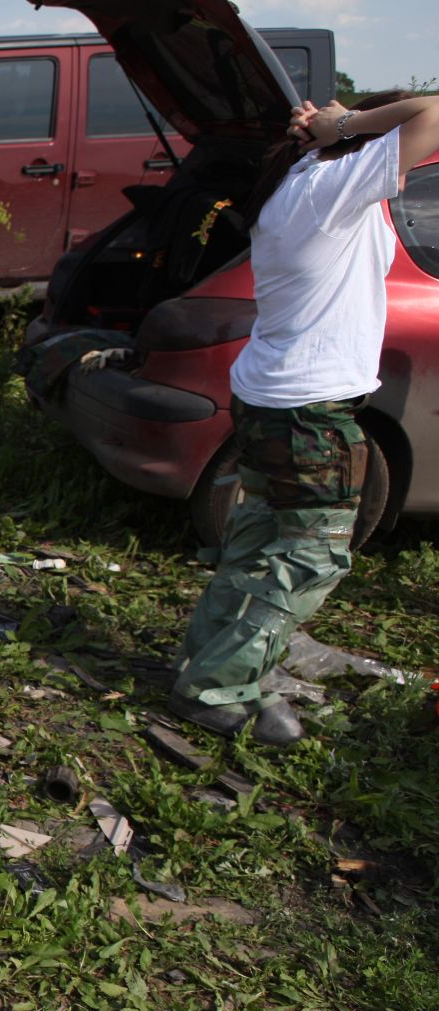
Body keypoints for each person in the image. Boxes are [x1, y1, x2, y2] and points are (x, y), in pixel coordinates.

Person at [169, 91, 439, 747]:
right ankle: (218, 688)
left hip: (274, 399)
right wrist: (340, 125)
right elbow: (433, 111)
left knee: (258, 546)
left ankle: (206, 671)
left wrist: (336, 127)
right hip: (308, 411)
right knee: (311, 559)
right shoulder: (330, 185)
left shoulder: (301, 187)